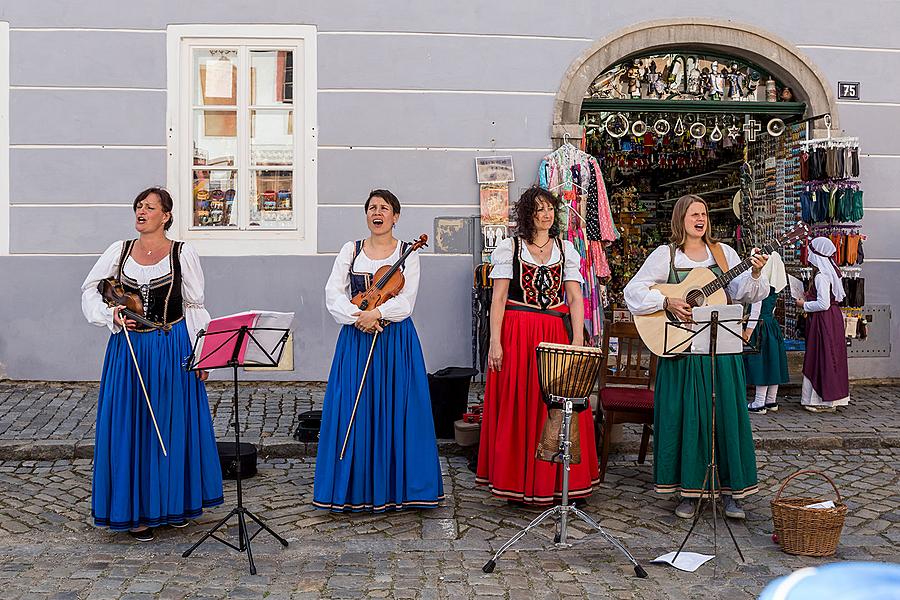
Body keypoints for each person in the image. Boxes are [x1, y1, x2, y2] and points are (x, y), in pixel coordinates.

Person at [81, 187, 223, 541]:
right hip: (129, 352)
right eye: (138, 206)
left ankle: (172, 505)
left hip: (172, 346)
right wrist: (110, 315)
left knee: (171, 426)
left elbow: (194, 305)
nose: (141, 211)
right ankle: (136, 512)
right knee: (131, 427)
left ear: (166, 216)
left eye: (150, 207)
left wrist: (201, 352)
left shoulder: (182, 253)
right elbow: (89, 290)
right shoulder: (120, 251)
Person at [623, 194, 769, 520]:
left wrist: (757, 273)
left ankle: (732, 493)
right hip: (682, 352)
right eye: (693, 214)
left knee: (726, 418)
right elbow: (632, 292)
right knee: (686, 419)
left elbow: (748, 292)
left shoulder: (724, 253)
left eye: (703, 213)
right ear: (681, 219)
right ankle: (687, 492)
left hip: (719, 353)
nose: (700, 219)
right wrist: (666, 303)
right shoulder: (667, 256)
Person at [314, 189, 443, 512]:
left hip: (394, 340)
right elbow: (334, 292)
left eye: (384, 208)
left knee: (397, 409)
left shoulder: (408, 253)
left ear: (395, 216)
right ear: (367, 215)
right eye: (372, 207)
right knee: (352, 411)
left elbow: (406, 300)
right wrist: (358, 316)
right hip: (356, 338)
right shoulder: (350, 250)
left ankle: (397, 488)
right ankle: (355, 489)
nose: (377, 212)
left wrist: (377, 314)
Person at [476, 186, 599, 505]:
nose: (545, 214)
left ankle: (561, 484)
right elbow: (499, 298)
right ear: (528, 214)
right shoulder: (509, 247)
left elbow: (574, 297)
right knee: (521, 401)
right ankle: (517, 481)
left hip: (556, 333)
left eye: (549, 209)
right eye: (539, 209)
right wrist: (495, 342)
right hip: (518, 335)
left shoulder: (567, 248)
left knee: (558, 403)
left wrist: (576, 339)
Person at [796, 237, 850, 412]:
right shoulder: (829, 273)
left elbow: (823, 304)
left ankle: (820, 400)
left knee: (821, 356)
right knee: (830, 356)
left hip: (823, 320)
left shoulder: (821, 276)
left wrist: (803, 304)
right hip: (830, 319)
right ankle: (829, 398)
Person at [744, 253, 790, 414]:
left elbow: (755, 311)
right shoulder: (774, 288)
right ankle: (771, 400)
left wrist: (748, 331)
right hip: (771, 325)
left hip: (760, 327)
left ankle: (759, 402)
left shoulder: (760, 286)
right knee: (772, 362)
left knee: (761, 364)